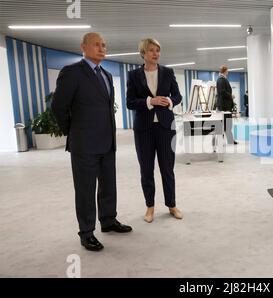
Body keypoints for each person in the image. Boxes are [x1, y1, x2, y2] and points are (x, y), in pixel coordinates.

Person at [52, 32, 132, 252]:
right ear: (84, 47)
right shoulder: (72, 73)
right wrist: (73, 132)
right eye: (96, 44)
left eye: (104, 45)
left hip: (107, 142)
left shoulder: (106, 75)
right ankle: (86, 233)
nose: (102, 48)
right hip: (84, 144)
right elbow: (58, 107)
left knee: (109, 185)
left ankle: (108, 220)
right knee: (86, 189)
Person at [126, 38, 183, 223]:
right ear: (143, 53)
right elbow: (130, 102)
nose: (155, 54)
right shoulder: (133, 75)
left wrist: (170, 101)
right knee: (146, 169)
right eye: (151, 50)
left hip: (166, 128)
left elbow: (178, 95)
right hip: (144, 129)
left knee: (167, 168)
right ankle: (149, 206)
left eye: (158, 50)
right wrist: (150, 101)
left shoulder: (168, 72)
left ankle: (171, 204)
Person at [216, 65, 238, 145]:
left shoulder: (222, 79)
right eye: (227, 71)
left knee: (226, 124)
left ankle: (228, 140)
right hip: (224, 106)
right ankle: (222, 141)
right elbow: (222, 92)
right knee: (226, 124)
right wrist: (230, 96)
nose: (228, 72)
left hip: (224, 106)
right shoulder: (221, 80)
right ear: (224, 71)